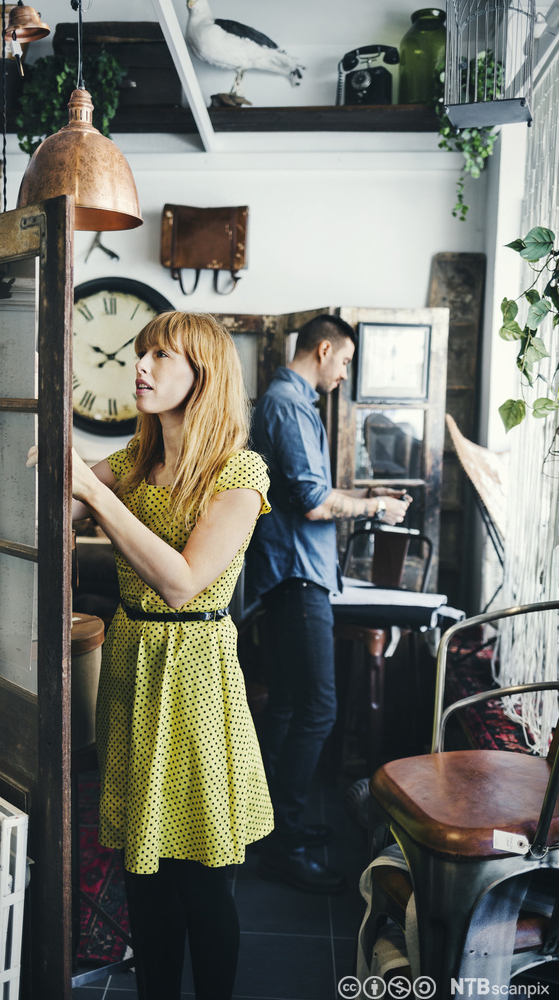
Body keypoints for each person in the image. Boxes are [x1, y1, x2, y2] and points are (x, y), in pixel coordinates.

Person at [42, 311, 274, 1000]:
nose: (139, 367)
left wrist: (91, 492)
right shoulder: (138, 459)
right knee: (141, 867)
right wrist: (57, 474)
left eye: (160, 357)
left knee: (199, 876)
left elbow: (180, 583)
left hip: (194, 666)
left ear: (202, 377)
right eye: (140, 354)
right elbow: (64, 508)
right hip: (133, 660)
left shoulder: (239, 470)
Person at [246, 314, 411, 894]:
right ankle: (284, 844)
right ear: (323, 350)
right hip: (296, 576)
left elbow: (309, 495)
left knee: (292, 705)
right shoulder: (287, 405)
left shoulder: (287, 401)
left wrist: (367, 499)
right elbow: (314, 503)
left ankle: (274, 830)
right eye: (345, 361)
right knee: (317, 708)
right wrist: (375, 509)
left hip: (296, 575)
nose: (345, 374)